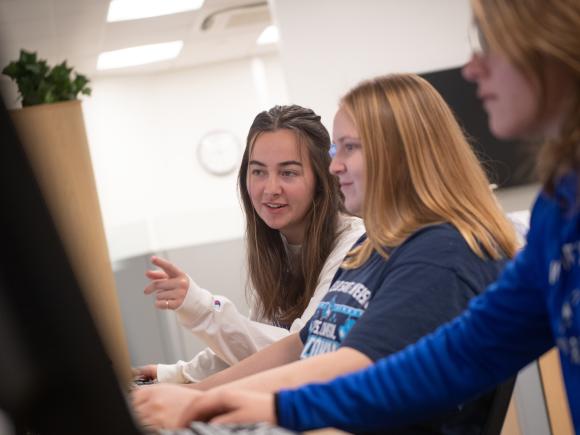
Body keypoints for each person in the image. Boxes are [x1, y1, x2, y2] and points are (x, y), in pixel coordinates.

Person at [170, 0, 580, 432]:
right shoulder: (559, 206)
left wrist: (237, 404)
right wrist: (211, 400)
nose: (473, 69)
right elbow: (451, 357)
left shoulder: (444, 252)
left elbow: (365, 367)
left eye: (349, 148)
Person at [132, 73, 520, 433]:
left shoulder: (441, 254)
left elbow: (347, 369)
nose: (333, 166)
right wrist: (190, 394)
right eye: (336, 149)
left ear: (401, 155)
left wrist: (206, 404)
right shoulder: (373, 251)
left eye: (348, 148)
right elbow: (298, 347)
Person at [135, 105, 365, 383]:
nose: (270, 189)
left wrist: (202, 308)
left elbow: (299, 350)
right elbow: (253, 349)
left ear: (321, 178)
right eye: (258, 172)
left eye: (288, 173)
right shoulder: (276, 245)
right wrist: (175, 374)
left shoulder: (355, 243)